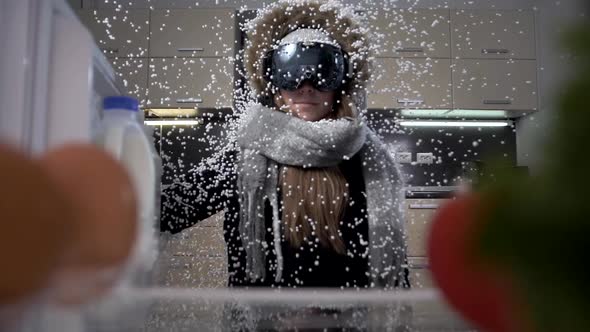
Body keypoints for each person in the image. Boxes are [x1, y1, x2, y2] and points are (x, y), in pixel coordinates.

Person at [161, 0, 409, 290]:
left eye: (322, 72)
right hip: (262, 321)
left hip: (348, 320)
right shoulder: (244, 157)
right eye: (291, 72)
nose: (306, 86)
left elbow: (393, 272)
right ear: (273, 83)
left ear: (341, 82)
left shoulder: (366, 160)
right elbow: (169, 209)